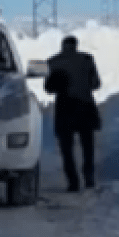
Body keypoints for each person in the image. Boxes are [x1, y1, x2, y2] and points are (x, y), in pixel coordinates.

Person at [44, 35, 102, 191]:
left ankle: (73, 182)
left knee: (66, 148)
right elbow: (96, 83)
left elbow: (48, 88)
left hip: (65, 107)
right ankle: (89, 177)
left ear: (62, 46)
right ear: (76, 45)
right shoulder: (87, 59)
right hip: (85, 106)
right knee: (87, 145)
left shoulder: (52, 61)